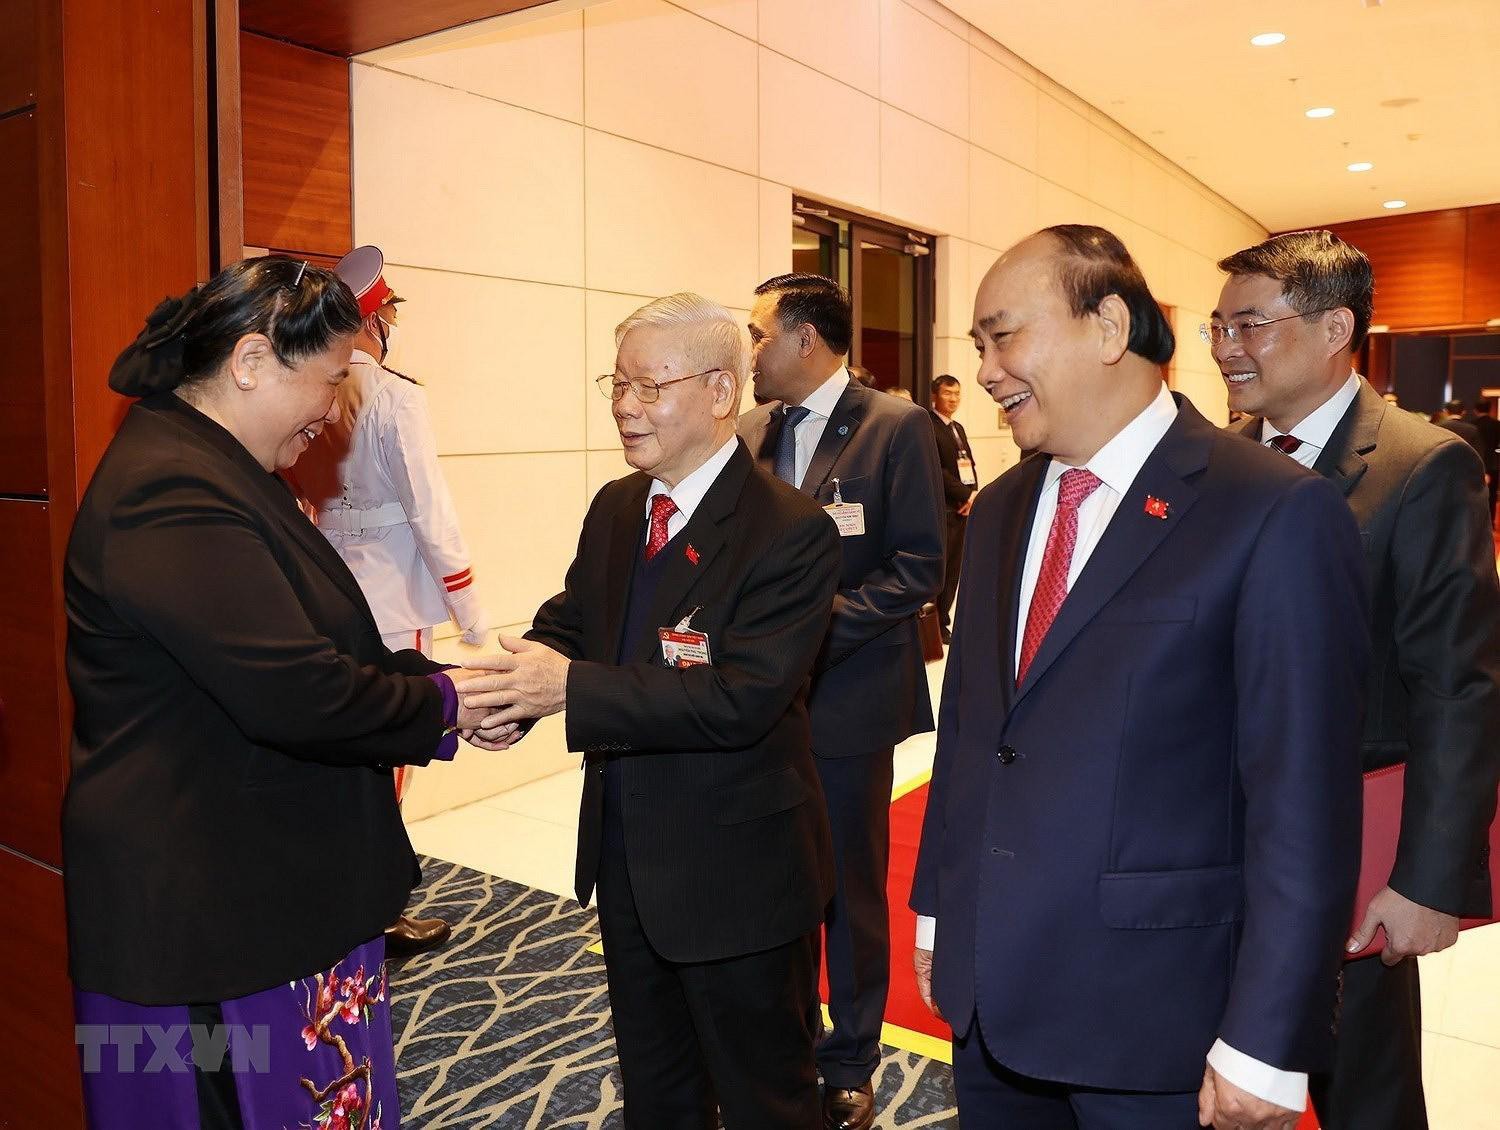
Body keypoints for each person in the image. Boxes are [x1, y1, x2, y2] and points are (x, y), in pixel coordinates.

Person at [911, 226, 1370, 1130]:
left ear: (1109, 326)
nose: (987, 371)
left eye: (1004, 337)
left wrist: (1267, 1040)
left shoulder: (1270, 509)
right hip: (993, 993)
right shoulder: (1001, 507)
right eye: (978, 347)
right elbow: (969, 733)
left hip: (1157, 1021)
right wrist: (937, 914)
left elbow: (1303, 800)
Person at [62, 256, 489, 1129]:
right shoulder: (169, 487)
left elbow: (322, 650)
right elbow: (300, 693)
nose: (335, 409)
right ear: (253, 362)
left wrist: (450, 684)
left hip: (262, 888)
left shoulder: (221, 466)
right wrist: (449, 705)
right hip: (206, 917)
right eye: (331, 380)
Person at [459, 293, 841, 1129]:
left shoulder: (790, 531)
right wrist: (506, 693)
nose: (625, 406)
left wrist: (567, 690)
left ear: (720, 391)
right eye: (617, 383)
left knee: (768, 1100)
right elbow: (574, 625)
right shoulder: (618, 505)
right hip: (629, 861)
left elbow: (740, 698)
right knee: (658, 1093)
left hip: (738, 875)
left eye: (649, 386)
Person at [1214, 229, 1500, 1130]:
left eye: (1249, 324)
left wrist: (1428, 882)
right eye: (1218, 326)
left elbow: (1458, 687)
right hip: (1217, 840)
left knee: (1364, 1094)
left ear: (1335, 327)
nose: (1225, 347)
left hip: (1350, 851)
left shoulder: (1423, 464)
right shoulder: (1218, 460)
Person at [739, 274, 945, 1130]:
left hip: (850, 691)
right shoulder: (751, 431)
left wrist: (812, 632)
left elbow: (919, 567)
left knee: (850, 886)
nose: (750, 351)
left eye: (759, 333)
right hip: (758, 700)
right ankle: (787, 1035)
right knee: (776, 874)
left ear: (805, 339)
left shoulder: (896, 426)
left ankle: (852, 1055)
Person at [292, 244, 489, 956]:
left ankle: (342, 892)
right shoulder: (397, 396)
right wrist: (470, 610)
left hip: (327, 585)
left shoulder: (310, 386)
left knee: (343, 749)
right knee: (393, 756)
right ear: (376, 321)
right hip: (393, 599)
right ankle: (373, 905)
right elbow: (429, 511)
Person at [927, 374, 977, 642]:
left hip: (962, 507)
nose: (953, 399)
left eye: (957, 393)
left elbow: (968, 464)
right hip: (944, 508)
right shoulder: (928, 425)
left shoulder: (957, 427)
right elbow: (939, 470)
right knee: (941, 568)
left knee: (955, 568)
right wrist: (966, 495)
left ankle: (944, 620)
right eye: (947, 393)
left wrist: (973, 495)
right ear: (934, 396)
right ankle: (932, 626)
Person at [1467, 397, 1500, 520]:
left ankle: (1475, 520)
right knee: (1492, 494)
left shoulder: (1471, 425)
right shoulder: (1497, 424)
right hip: (1493, 463)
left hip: (1474, 462)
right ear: (1490, 409)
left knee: (1473, 493)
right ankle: (1490, 520)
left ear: (1475, 410)